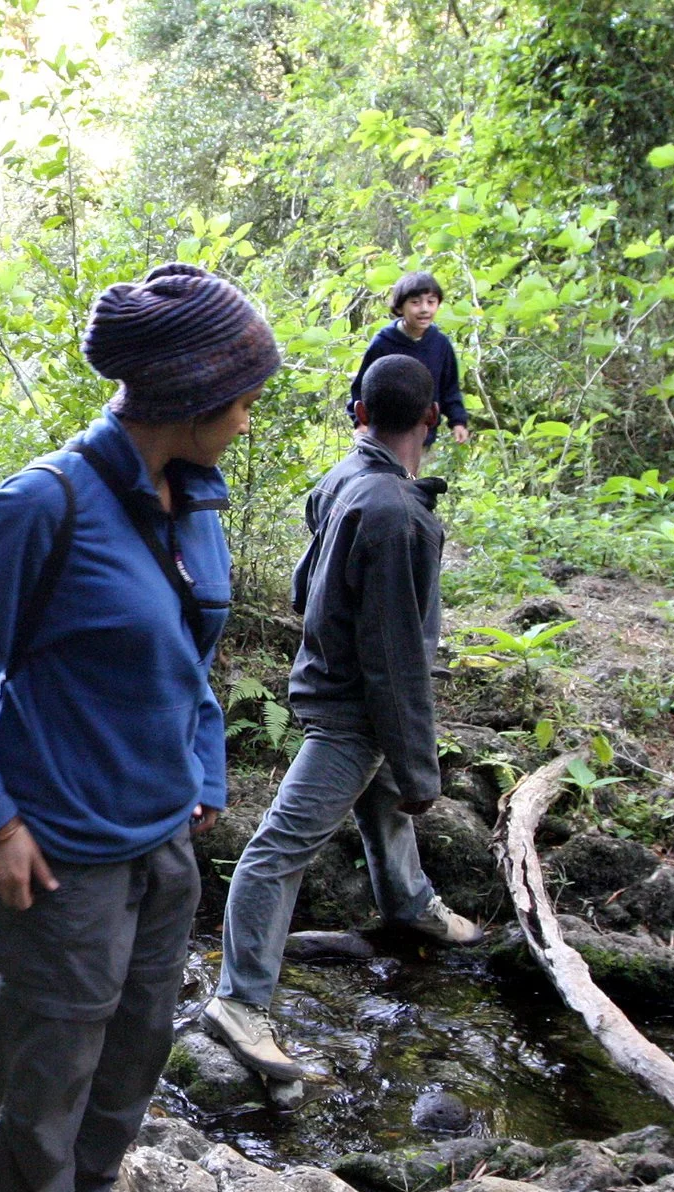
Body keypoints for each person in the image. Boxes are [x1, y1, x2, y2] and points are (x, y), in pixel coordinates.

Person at [0, 262, 276, 1192]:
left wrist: (203, 772)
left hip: (162, 845)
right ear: (186, 399)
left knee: (131, 1058)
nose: (250, 418)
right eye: (242, 399)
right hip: (57, 857)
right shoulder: (41, 504)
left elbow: (194, 657)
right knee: (44, 1074)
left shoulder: (193, 500)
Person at [201, 353, 483, 1088]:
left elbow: (306, 587)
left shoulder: (343, 481)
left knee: (384, 807)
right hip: (355, 708)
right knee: (279, 846)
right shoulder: (396, 515)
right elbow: (394, 659)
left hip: (333, 682)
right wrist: (423, 767)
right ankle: (238, 1000)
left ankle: (410, 904)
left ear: (360, 414)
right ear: (430, 419)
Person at [346, 271, 470, 447]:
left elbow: (450, 389)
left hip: (421, 438)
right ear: (399, 307)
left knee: (413, 475)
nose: (424, 309)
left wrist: (458, 421)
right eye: (415, 302)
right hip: (383, 437)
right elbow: (362, 387)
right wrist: (360, 422)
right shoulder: (383, 343)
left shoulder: (440, 345)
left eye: (431, 302)